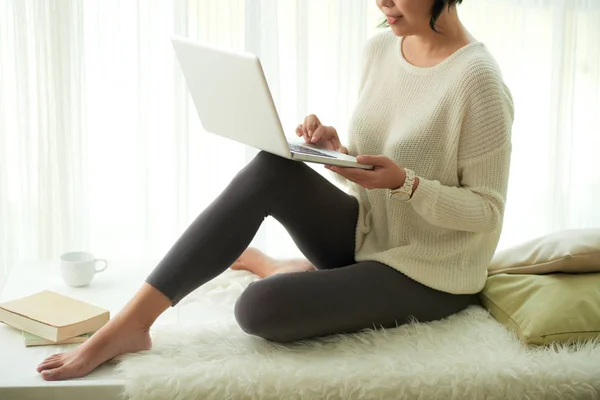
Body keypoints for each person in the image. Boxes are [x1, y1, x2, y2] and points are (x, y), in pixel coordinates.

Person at [37, 0, 513, 381]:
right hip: (372, 239)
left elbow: (487, 212)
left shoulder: (478, 80)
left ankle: (280, 268)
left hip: (433, 275)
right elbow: (381, 165)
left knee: (258, 307)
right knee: (272, 168)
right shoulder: (382, 47)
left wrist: (405, 183)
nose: (382, 3)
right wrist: (336, 153)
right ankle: (130, 325)